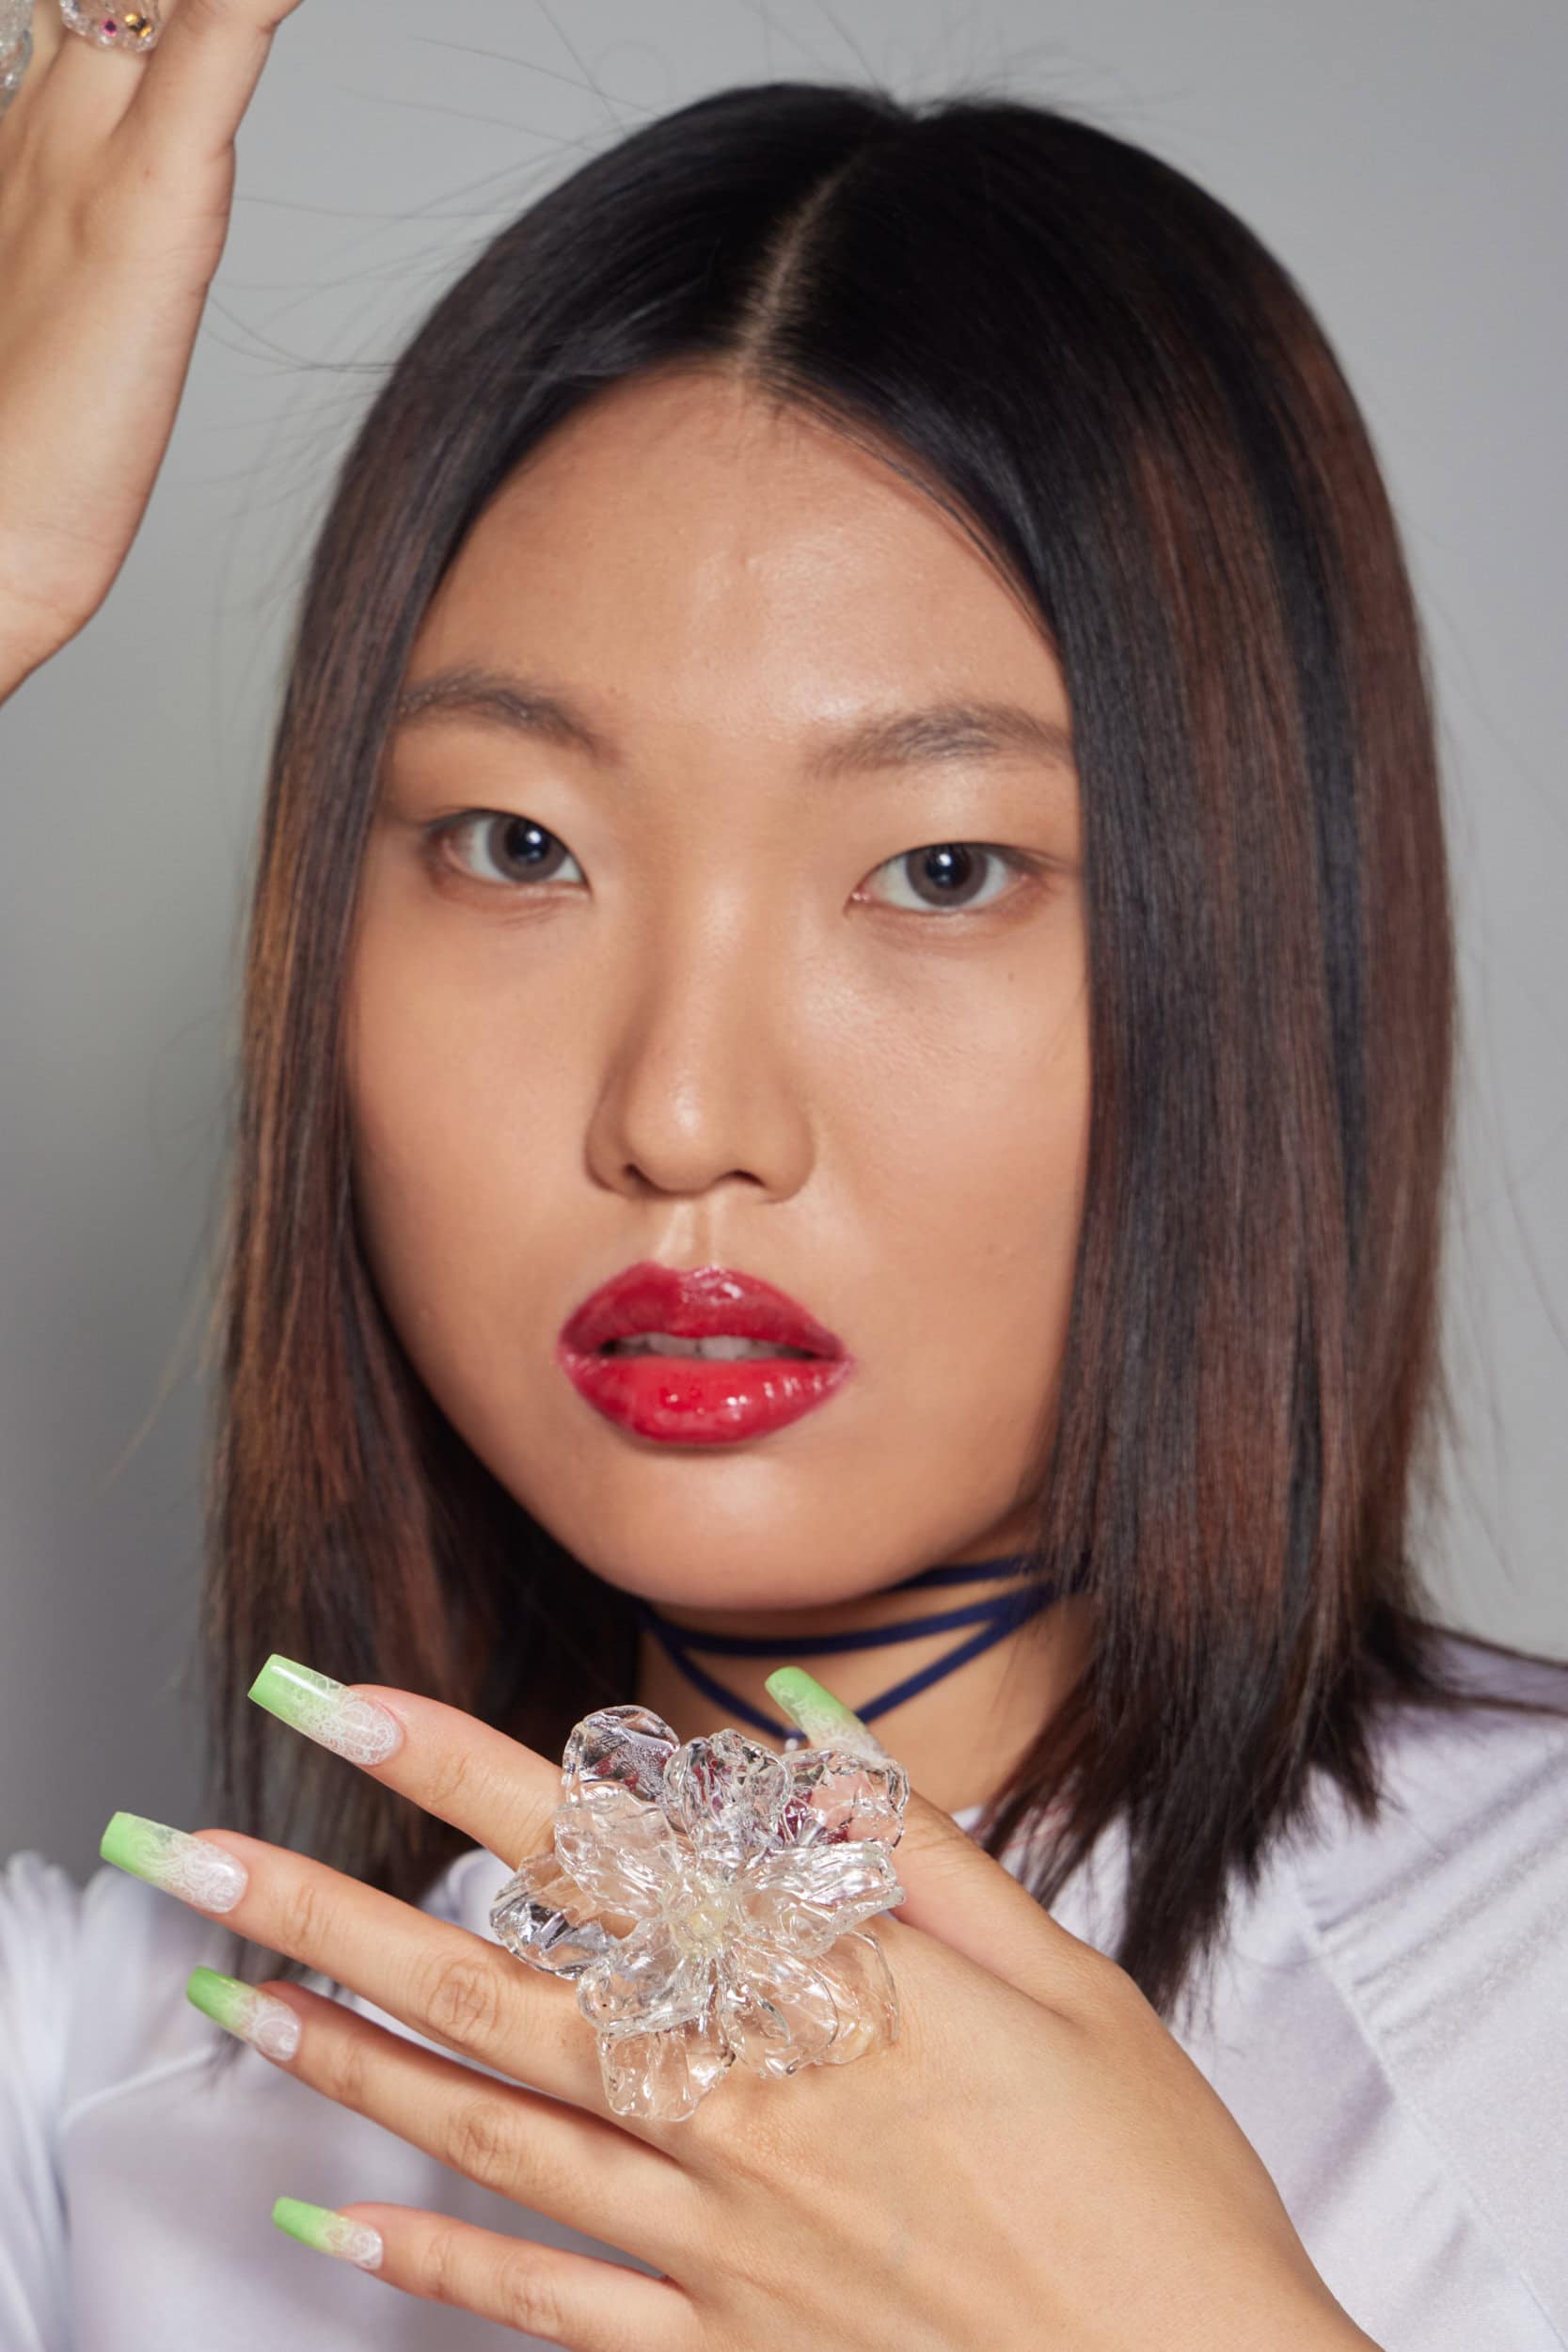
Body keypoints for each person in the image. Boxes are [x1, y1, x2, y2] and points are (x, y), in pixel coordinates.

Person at [2, 5, 1565, 2347]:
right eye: (517, 844)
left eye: (940, 868)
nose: (683, 1105)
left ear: (1261, 948)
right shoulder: (119, 2102)